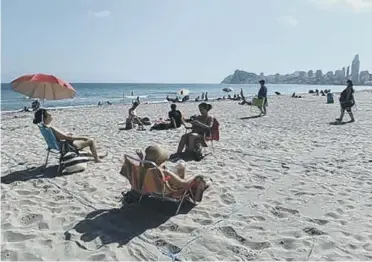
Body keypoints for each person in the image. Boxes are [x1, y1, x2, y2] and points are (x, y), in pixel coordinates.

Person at [32, 109, 104, 162]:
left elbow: (60, 137)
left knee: (80, 143)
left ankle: (96, 155)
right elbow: (66, 137)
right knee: (90, 140)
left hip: (56, 146)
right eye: (49, 114)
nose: (51, 115)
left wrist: (67, 135)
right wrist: (83, 137)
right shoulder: (49, 127)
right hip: (65, 147)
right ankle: (97, 159)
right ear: (44, 118)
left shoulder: (44, 127)